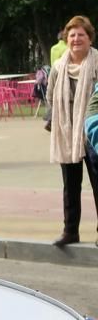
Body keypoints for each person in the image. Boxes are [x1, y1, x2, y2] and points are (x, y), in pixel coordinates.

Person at [44, 15, 98, 247]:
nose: (76, 39)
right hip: (67, 131)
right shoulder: (59, 66)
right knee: (70, 184)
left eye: (81, 35)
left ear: (89, 38)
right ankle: (70, 231)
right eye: (72, 35)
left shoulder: (97, 62)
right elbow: (50, 94)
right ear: (66, 38)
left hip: (93, 130)